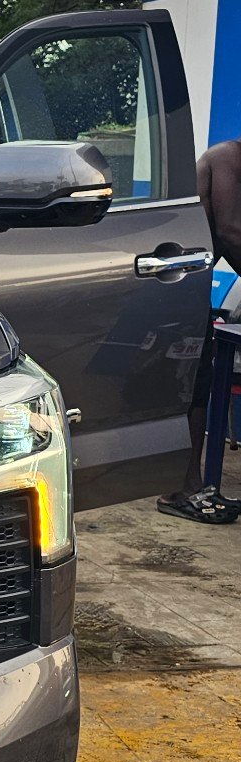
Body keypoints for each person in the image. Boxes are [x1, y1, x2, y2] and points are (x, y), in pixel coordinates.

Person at [158, 137, 241, 523]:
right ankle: (180, 490)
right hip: (172, 290)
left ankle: (188, 486)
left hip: (187, 288)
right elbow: (229, 230)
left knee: (196, 388)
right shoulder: (228, 157)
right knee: (186, 389)